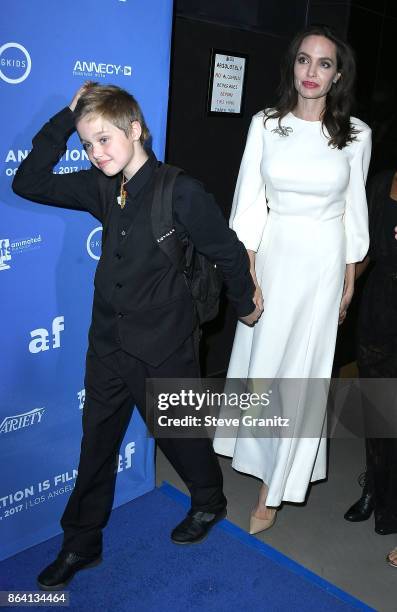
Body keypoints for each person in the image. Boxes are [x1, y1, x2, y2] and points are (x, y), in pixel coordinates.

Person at [12, 82, 261, 589]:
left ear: (136, 129)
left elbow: (228, 252)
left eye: (104, 139)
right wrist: (67, 115)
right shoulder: (100, 185)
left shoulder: (180, 190)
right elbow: (28, 182)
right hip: (107, 343)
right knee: (95, 446)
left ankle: (209, 501)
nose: (95, 153)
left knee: (178, 436)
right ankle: (81, 543)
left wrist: (246, 305)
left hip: (165, 344)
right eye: (87, 144)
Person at [213, 24, 371, 534]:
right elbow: (248, 204)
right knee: (262, 361)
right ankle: (254, 453)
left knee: (302, 371)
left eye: (324, 63)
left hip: (323, 262)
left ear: (337, 74)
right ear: (293, 66)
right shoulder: (266, 123)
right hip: (273, 255)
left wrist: (349, 279)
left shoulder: (356, 135)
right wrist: (249, 272)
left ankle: (274, 486)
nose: (312, 72)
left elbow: (354, 213)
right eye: (305, 60)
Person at [344, 169, 397, 536]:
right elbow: (364, 252)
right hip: (379, 308)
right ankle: (374, 490)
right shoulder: (381, 184)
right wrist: (343, 290)